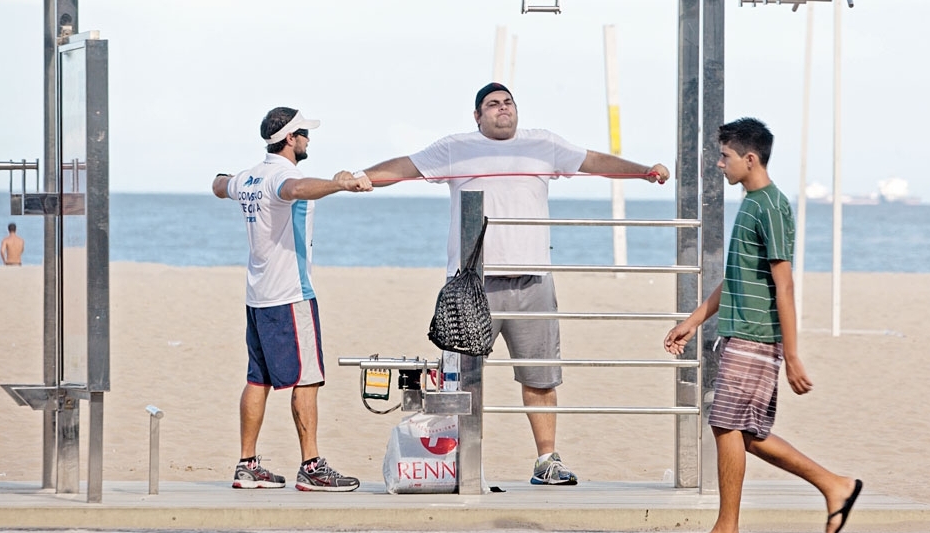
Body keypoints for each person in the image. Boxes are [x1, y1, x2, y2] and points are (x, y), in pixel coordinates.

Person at [350, 82, 670, 486]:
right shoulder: (456, 147)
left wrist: (642, 171)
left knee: (540, 377)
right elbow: (406, 167)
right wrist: (360, 177)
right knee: (460, 379)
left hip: (532, 282)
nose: (502, 109)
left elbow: (592, 161)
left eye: (508, 102)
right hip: (473, 285)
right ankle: (458, 463)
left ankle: (547, 461)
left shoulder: (543, 144)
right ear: (477, 116)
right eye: (492, 104)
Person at [663, 117, 862, 533]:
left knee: (726, 426)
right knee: (746, 434)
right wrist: (693, 321)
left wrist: (792, 355)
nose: (720, 164)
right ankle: (835, 485)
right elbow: (737, 278)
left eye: (725, 156)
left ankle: (727, 531)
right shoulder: (752, 203)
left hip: (756, 336)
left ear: (750, 159)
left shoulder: (770, 206)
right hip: (741, 332)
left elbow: (784, 285)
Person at [212, 106, 372, 491]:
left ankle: (247, 465)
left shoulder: (249, 177)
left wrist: (226, 180)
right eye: (304, 134)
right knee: (307, 379)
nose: (308, 139)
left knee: (258, 379)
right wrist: (339, 185)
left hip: (257, 296)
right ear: (289, 138)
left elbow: (219, 185)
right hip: (290, 295)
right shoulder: (284, 176)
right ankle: (312, 466)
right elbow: (295, 190)